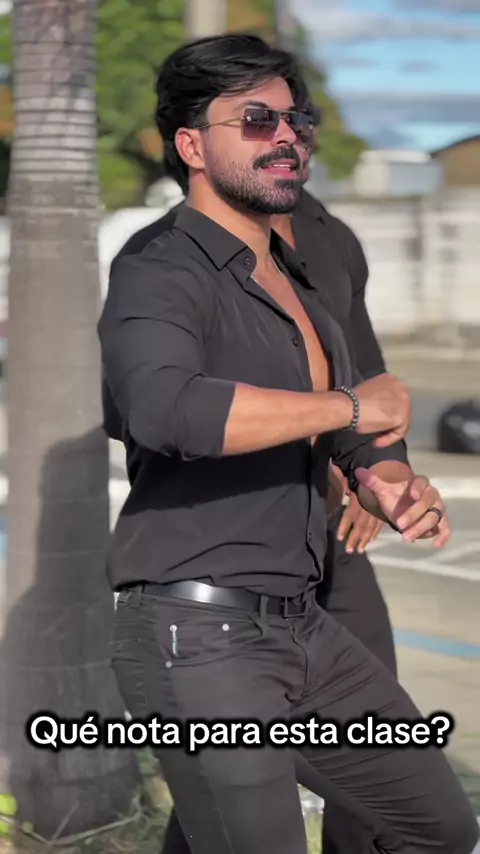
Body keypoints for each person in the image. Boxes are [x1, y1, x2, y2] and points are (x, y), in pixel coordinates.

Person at [98, 34, 478, 854]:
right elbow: (163, 410)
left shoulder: (302, 271)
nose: (286, 137)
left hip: (304, 624)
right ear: (191, 145)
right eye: (256, 120)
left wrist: (379, 476)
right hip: (197, 629)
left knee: (436, 826)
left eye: (295, 120)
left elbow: (348, 419)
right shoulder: (159, 268)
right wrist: (348, 405)